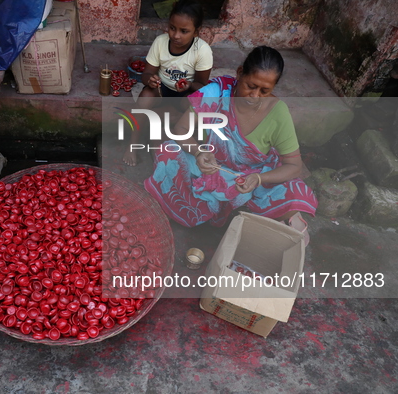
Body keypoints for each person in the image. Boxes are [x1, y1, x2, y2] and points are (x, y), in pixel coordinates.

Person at [144, 46, 317, 243]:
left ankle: (238, 209)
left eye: (265, 91)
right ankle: (209, 210)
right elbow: (180, 130)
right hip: (213, 167)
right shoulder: (217, 92)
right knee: (168, 152)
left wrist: (258, 178)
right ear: (240, 73)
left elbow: (294, 166)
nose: (255, 96)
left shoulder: (278, 113)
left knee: (293, 196)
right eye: (251, 86)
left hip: (252, 178)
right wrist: (199, 152)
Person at [123, 0, 213, 166]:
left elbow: (203, 87)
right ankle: (132, 145)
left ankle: (173, 128)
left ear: (196, 32)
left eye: (184, 31)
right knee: (145, 95)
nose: (176, 35)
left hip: (184, 95)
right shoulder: (161, 42)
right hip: (162, 90)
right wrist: (150, 79)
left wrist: (189, 85)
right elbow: (147, 73)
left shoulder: (202, 50)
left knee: (197, 103)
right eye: (172, 28)